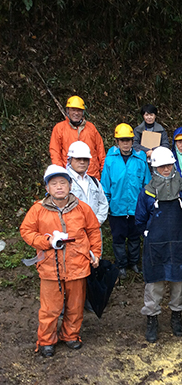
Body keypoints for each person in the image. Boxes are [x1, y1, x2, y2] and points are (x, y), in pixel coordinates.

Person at [20, 165, 101, 357]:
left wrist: (95, 253)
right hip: (50, 267)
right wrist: (46, 241)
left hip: (78, 265)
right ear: (47, 188)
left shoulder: (82, 208)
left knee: (76, 305)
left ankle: (71, 335)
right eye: (54, 183)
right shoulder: (38, 210)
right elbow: (26, 231)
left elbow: (93, 231)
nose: (59, 187)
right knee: (50, 308)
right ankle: (46, 340)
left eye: (63, 183)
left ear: (70, 185)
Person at [135, 147, 182, 343]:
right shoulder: (146, 192)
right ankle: (152, 318)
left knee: (178, 284)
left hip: (180, 242)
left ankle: (176, 316)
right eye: (162, 166)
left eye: (169, 165)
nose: (166, 169)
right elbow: (140, 220)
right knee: (154, 284)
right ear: (154, 168)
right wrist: (149, 234)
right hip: (155, 245)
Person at [101, 123, 151, 279]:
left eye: (128, 140)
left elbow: (147, 185)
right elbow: (105, 186)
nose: (125, 143)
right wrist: (107, 205)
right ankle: (121, 265)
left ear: (132, 141)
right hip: (117, 208)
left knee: (135, 237)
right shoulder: (110, 161)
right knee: (118, 238)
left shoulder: (140, 160)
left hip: (136, 208)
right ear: (117, 141)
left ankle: (134, 263)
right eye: (122, 140)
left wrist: (146, 205)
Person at [49, 95, 106, 180]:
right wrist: (61, 173)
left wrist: (105, 172)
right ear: (67, 111)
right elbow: (55, 152)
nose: (76, 113)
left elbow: (100, 151)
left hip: (92, 175)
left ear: (83, 112)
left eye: (79, 110)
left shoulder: (91, 128)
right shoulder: (59, 128)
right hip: (70, 176)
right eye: (73, 110)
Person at [66, 141, 109, 227]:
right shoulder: (63, 182)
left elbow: (103, 203)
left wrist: (96, 222)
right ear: (70, 160)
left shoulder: (94, 182)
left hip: (94, 230)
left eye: (85, 159)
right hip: (72, 231)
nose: (82, 162)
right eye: (78, 159)